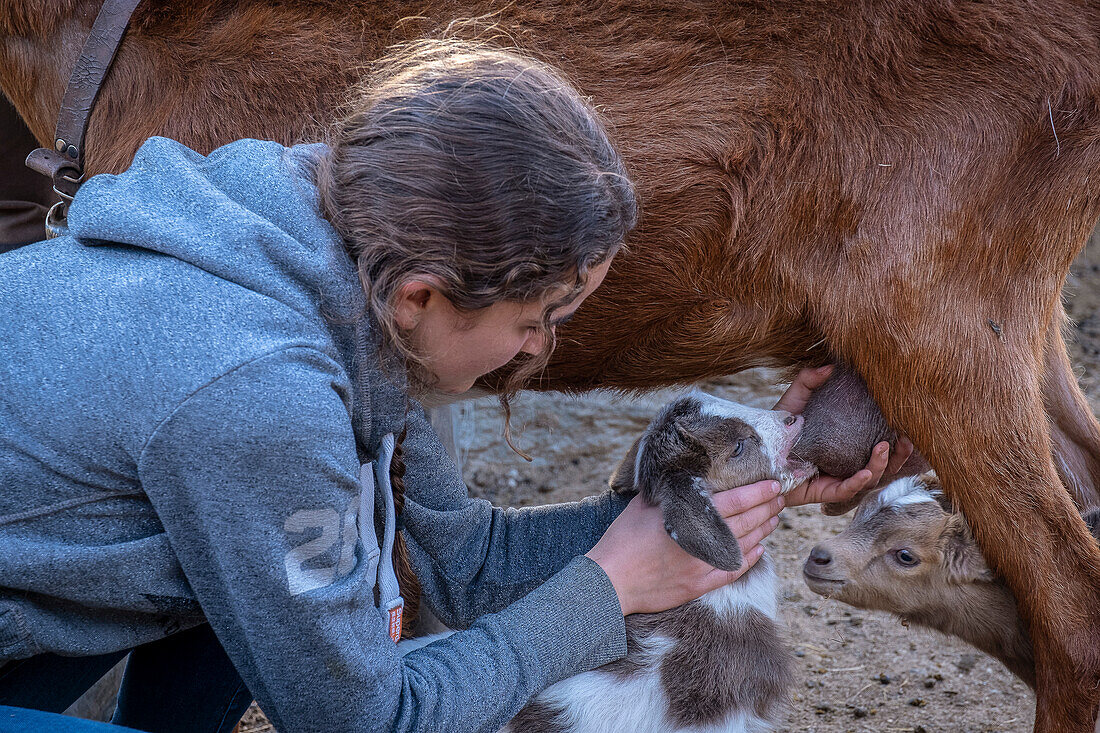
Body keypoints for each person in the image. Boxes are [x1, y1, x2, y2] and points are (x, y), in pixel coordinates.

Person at [0, 41, 905, 732]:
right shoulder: (258, 392)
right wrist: (605, 588)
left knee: (299, 575)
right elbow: (365, 717)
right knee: (308, 589)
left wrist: (711, 500)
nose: (538, 351)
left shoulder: (341, 262)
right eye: (537, 316)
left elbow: (459, 562)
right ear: (424, 294)